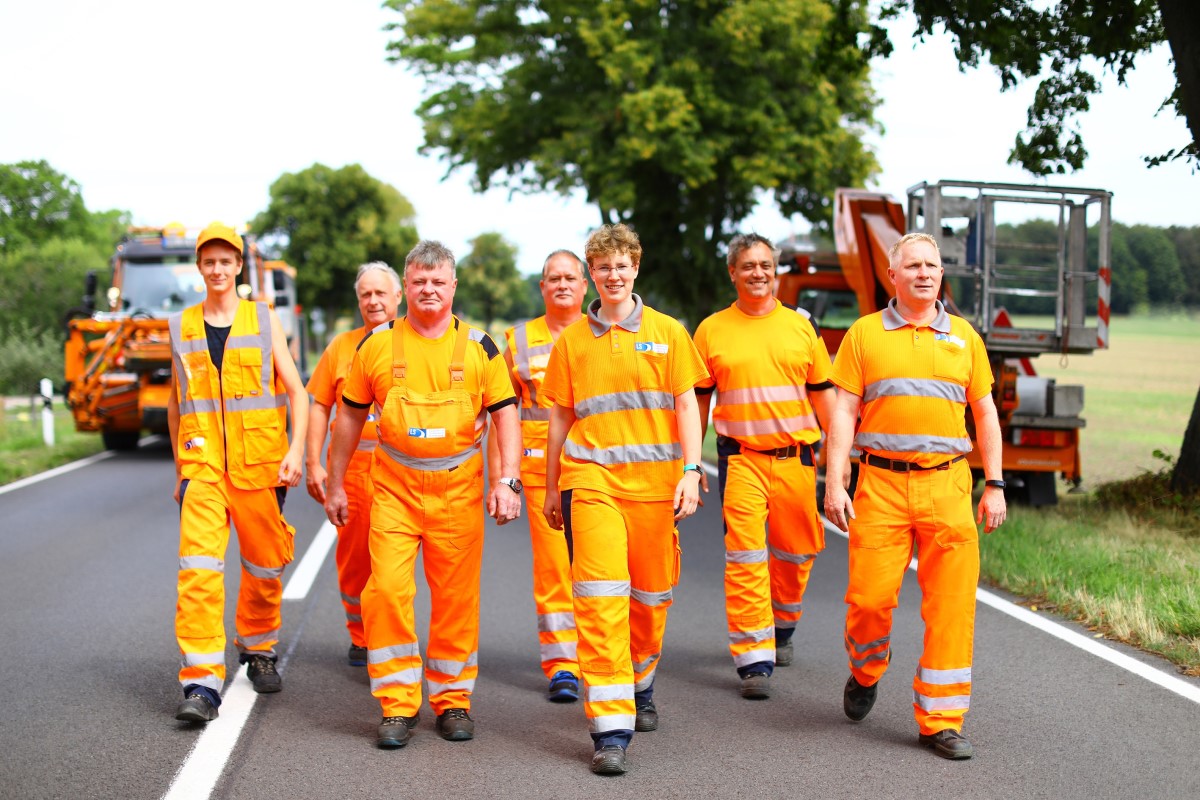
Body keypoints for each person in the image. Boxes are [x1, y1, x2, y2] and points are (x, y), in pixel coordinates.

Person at [324, 240, 522, 749]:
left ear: (453, 286)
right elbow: (347, 415)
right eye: (418, 282)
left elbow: (505, 415)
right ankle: (396, 704)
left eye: (438, 282)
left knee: (455, 598)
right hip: (393, 488)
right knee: (387, 590)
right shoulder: (377, 345)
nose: (428, 290)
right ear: (405, 288)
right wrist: (337, 480)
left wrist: (508, 481)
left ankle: (453, 699)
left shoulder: (481, 347)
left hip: (457, 488)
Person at [823, 232, 1007, 760]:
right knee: (870, 602)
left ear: (941, 274)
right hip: (879, 485)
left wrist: (993, 483)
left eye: (933, 265)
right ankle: (865, 671)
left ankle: (941, 720)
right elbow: (842, 413)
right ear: (892, 276)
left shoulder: (965, 338)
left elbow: (985, 413)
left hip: (948, 484)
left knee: (951, 607)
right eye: (913, 266)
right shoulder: (864, 335)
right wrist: (836, 482)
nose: (925, 273)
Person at [542, 223, 709, 776]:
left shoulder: (667, 332)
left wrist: (691, 470)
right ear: (592, 272)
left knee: (651, 597)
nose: (612, 275)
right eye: (603, 266)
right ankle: (610, 728)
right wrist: (550, 488)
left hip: (658, 486)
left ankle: (641, 681)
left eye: (622, 265)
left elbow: (688, 406)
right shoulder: (572, 341)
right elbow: (561, 419)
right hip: (591, 481)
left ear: (636, 268)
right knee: (599, 596)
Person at [168, 221, 309, 723]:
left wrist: (296, 452)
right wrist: (179, 466)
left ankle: (258, 646)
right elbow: (177, 402)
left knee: (264, 566)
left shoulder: (264, 320)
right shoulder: (181, 326)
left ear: (238, 266)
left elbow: (298, 392)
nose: (218, 269)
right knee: (199, 573)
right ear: (200, 266)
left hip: (261, 466)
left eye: (226, 261)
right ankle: (201, 684)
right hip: (203, 469)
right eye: (209, 261)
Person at [693, 233, 837, 700]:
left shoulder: (802, 326)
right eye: (749, 265)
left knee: (797, 552)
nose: (759, 272)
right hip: (741, 459)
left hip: (797, 460)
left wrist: (839, 459)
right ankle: (754, 657)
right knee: (745, 556)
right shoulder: (712, 329)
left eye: (766, 264)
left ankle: (784, 624)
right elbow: (696, 403)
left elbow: (824, 396)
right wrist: (689, 463)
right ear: (732, 273)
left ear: (776, 271)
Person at [486, 249, 588, 702]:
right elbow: (499, 412)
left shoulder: (603, 333)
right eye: (553, 278)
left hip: (598, 467)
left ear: (584, 285)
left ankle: (603, 652)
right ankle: (563, 664)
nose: (562, 284)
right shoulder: (520, 341)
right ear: (542, 287)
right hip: (537, 470)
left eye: (570, 277)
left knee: (599, 566)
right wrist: (501, 477)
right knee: (554, 568)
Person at [305, 262, 403, 666]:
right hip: (355, 471)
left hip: (402, 470)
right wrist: (315, 463)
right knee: (354, 558)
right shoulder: (342, 347)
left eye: (381, 293)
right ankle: (361, 634)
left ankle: (391, 636)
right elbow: (319, 405)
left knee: (393, 564)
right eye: (366, 294)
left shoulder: (414, 342)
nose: (374, 301)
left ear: (398, 296)